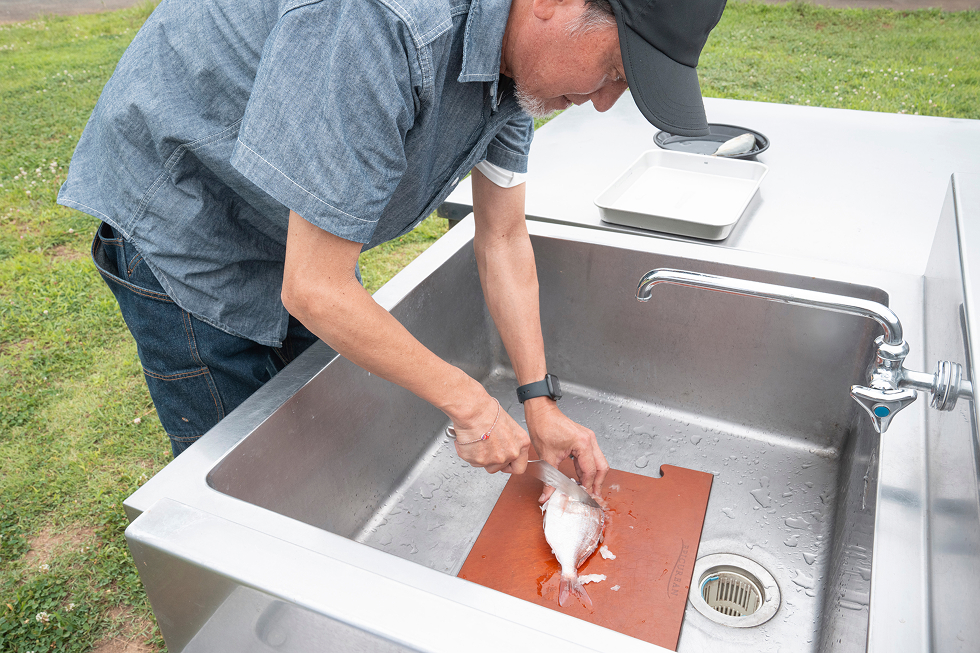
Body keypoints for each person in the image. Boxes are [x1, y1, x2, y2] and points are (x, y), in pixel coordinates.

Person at [58, 0, 726, 499]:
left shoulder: (518, 70)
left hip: (280, 229)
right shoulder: (387, 22)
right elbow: (316, 287)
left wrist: (537, 399)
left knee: (306, 436)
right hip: (187, 220)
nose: (605, 103)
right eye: (613, 71)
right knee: (248, 483)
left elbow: (502, 235)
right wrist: (467, 401)